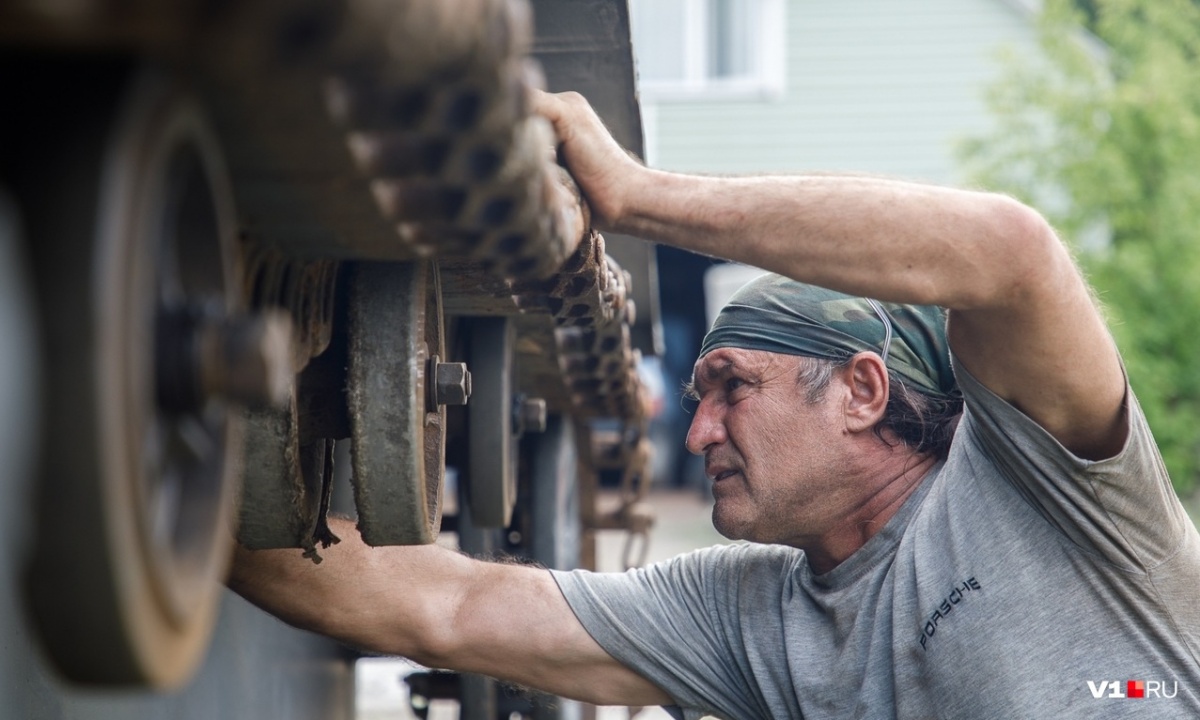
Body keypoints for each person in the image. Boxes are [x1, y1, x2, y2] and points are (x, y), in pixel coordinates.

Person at [229, 90, 1200, 718]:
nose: (698, 433)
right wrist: (150, 483)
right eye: (699, 398)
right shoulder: (747, 619)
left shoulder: (1053, 494)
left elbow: (1010, 256)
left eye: (733, 387)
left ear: (862, 391)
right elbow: (452, 605)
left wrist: (637, 199)